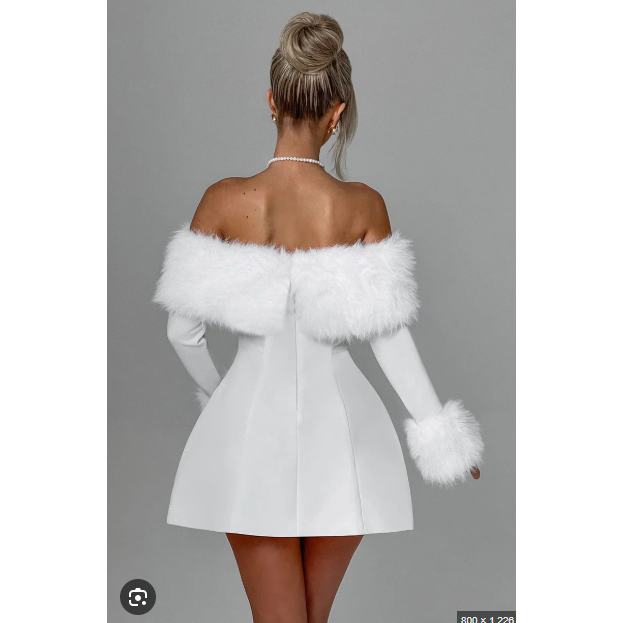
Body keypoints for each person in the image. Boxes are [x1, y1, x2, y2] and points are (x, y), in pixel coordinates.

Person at [152, 11, 484, 623]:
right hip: (346, 433)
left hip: (251, 428)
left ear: (271, 101)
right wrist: (440, 432)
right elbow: (388, 336)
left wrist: (220, 396)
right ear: (337, 114)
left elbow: (182, 332)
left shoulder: (223, 200)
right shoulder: (363, 205)